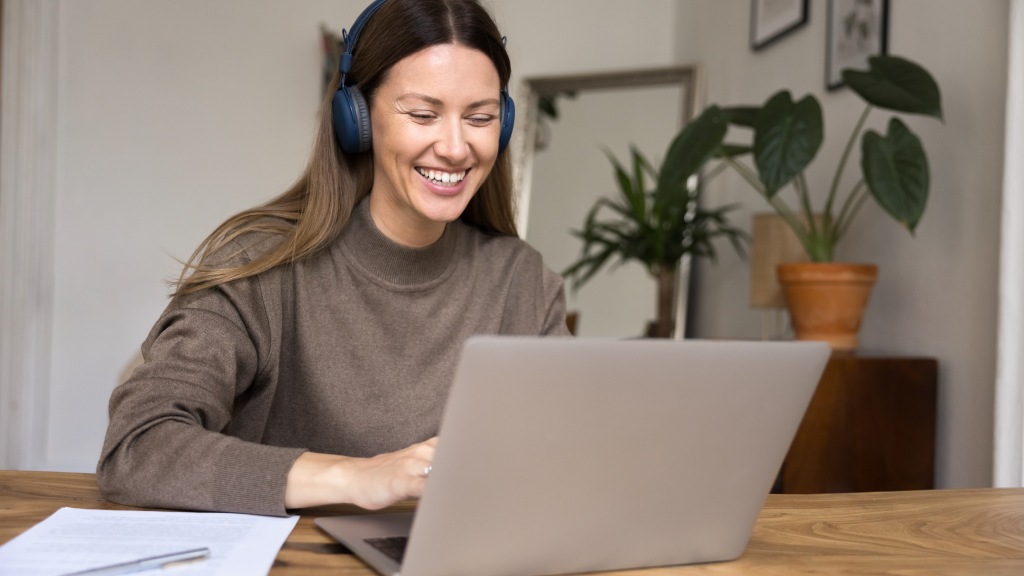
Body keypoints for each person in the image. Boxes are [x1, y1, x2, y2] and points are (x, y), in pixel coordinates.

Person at [97, 0, 570, 518]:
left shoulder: (523, 281)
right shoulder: (263, 267)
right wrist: (355, 477)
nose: (456, 148)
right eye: (422, 114)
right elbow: (138, 445)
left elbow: (572, 456)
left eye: (480, 118)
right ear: (357, 118)